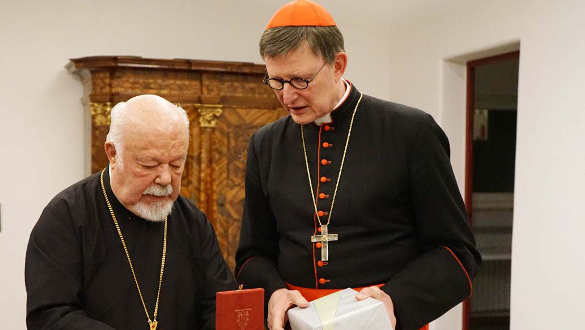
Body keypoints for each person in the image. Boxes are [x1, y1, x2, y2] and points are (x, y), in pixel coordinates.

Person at [234, 1, 481, 329]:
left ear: (338, 65)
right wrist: (274, 292)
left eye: (300, 80)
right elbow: (252, 254)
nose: (287, 96)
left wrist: (394, 301)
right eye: (276, 81)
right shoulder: (265, 144)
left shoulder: (410, 132)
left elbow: (457, 253)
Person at [25, 95, 236, 329]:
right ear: (113, 154)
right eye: (149, 165)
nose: (165, 178)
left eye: (176, 164)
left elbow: (219, 305)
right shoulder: (65, 217)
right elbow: (51, 316)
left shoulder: (193, 222)